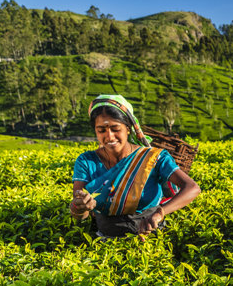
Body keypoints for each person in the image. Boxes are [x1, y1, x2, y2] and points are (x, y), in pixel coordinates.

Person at [70, 94, 201, 237]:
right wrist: (80, 207)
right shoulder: (86, 161)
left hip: (152, 239)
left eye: (115, 129)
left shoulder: (154, 157)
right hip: (105, 243)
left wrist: (160, 213)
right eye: (101, 130)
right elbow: (79, 214)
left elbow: (192, 188)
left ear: (128, 128)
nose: (109, 136)